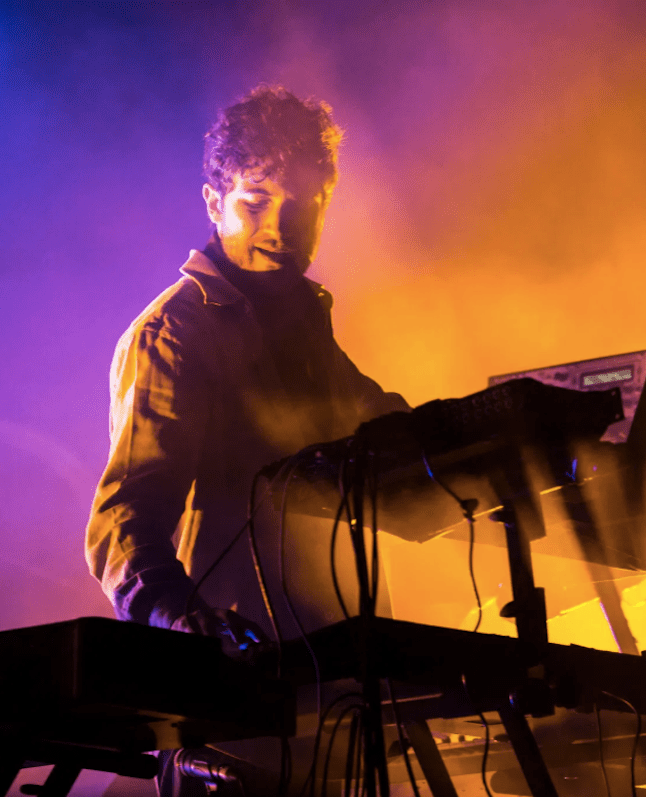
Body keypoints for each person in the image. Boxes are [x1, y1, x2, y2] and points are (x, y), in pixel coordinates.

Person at [85, 86, 407, 655]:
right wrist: (186, 623)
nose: (281, 227)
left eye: (303, 204)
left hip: (341, 660)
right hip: (243, 674)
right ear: (214, 203)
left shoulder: (303, 322)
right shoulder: (175, 334)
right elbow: (125, 519)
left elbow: (384, 429)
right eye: (255, 202)